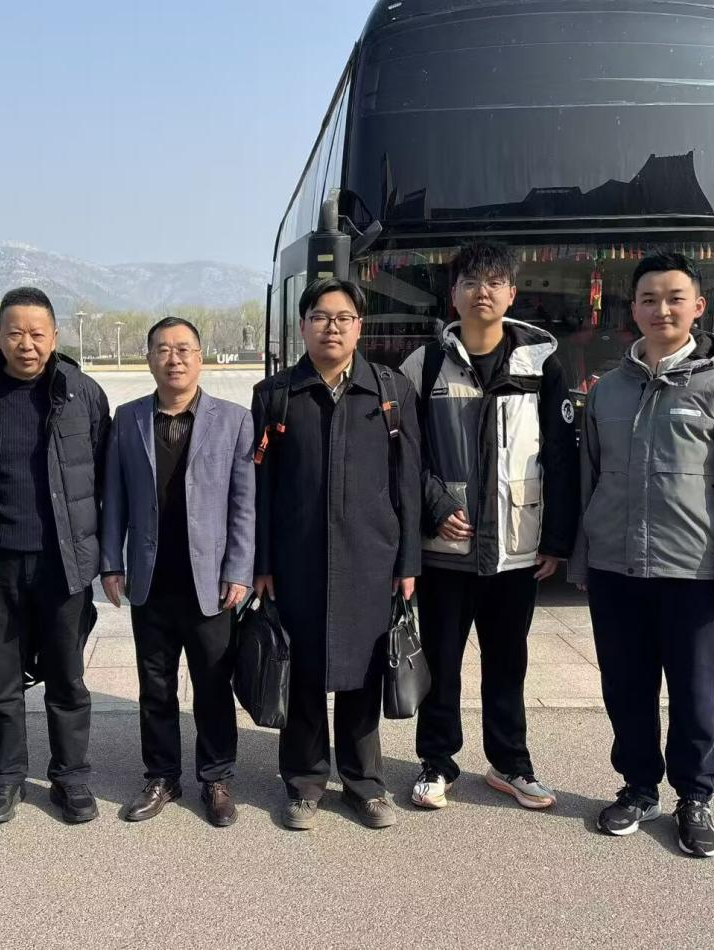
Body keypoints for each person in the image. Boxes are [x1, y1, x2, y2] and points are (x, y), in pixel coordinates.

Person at [568, 252, 714, 858]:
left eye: (675, 298)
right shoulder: (609, 389)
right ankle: (638, 787)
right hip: (616, 568)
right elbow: (589, 478)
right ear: (632, 309)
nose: (662, 309)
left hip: (694, 575)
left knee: (697, 693)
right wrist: (583, 557)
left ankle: (695, 796)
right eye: (649, 299)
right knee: (625, 687)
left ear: (698, 307)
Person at [399, 241, 578, 812]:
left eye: (495, 282)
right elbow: (403, 451)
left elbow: (561, 455)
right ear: (453, 294)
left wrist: (557, 540)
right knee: (442, 662)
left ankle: (510, 763)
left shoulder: (540, 365)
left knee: (508, 662)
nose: (484, 292)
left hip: (515, 548)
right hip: (444, 548)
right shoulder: (424, 365)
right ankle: (437, 761)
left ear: (512, 293)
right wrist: (433, 503)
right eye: (471, 282)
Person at [251, 277, 420, 831]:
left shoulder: (389, 390)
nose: (332, 327)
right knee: (300, 670)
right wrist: (262, 563)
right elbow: (261, 487)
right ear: (302, 326)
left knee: (364, 675)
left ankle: (364, 784)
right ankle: (303, 784)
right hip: (297, 560)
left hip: (371, 558)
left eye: (344, 318)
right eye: (321, 317)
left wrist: (408, 563)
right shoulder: (276, 394)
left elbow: (408, 481)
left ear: (359, 327)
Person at [0, 287, 110, 825]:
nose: (26, 344)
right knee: (1, 682)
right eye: (15, 333)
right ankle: (5, 777)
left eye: (37, 333)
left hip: (63, 563)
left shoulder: (83, 392)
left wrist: (101, 557)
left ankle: (71, 777)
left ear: (55, 337)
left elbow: (100, 477)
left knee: (67, 679)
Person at [100, 317, 255, 827]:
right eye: (163, 350)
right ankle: (162, 776)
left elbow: (244, 504)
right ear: (149, 358)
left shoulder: (233, 419)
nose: (175, 359)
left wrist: (239, 569)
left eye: (184, 349)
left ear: (200, 357)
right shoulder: (127, 418)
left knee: (213, 684)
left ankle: (216, 778)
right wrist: (111, 562)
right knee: (155, 686)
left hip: (209, 582)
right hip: (151, 579)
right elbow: (114, 497)